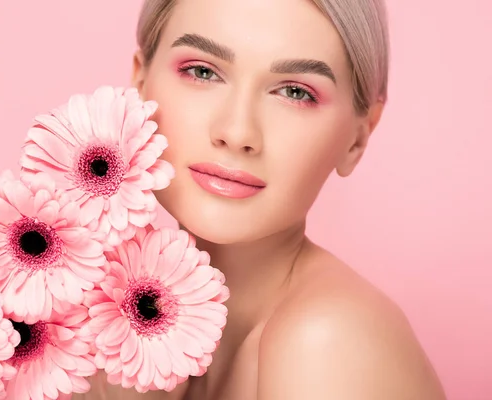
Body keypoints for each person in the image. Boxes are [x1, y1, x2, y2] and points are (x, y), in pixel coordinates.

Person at [77, 0, 447, 398]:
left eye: (294, 92)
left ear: (358, 138)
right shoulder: (97, 324)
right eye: (202, 72)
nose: (237, 133)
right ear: (139, 85)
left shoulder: (326, 340)